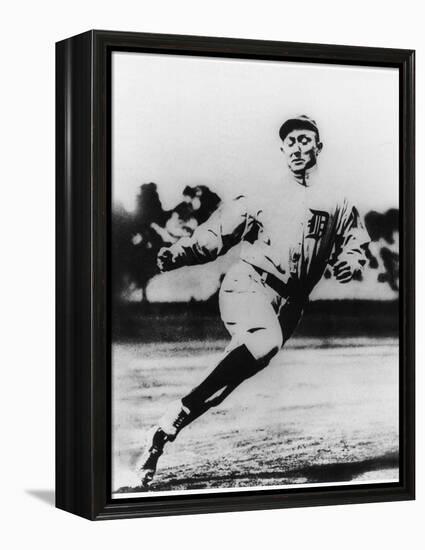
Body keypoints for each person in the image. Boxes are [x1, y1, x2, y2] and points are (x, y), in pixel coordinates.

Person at [135, 115, 370, 487]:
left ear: (318, 148)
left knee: (232, 380)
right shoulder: (263, 194)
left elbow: (356, 241)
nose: (296, 146)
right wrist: (178, 254)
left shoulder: (338, 200)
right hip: (249, 285)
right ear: (282, 149)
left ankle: (168, 424)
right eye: (289, 140)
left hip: (291, 305)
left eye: (304, 139)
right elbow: (215, 235)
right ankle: (174, 417)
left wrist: (350, 261)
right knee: (263, 342)